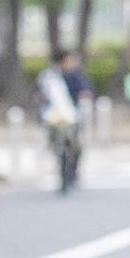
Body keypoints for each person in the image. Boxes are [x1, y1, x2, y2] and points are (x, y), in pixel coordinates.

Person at [36, 51, 83, 193]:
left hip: (71, 117)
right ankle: (62, 173)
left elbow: (84, 91)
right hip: (53, 118)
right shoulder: (48, 77)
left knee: (75, 146)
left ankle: (72, 173)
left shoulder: (74, 76)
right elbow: (37, 94)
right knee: (56, 146)